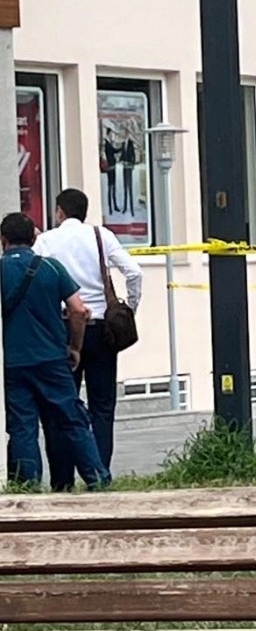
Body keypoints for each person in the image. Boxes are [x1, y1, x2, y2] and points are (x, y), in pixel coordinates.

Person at [34, 188, 142, 489]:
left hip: (62, 328)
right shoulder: (101, 236)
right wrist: (129, 307)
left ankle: (63, 480)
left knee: (62, 406)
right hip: (101, 330)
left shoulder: (47, 241)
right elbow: (134, 272)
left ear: (59, 211)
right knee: (102, 406)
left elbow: (34, 275)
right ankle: (99, 474)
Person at [0, 213, 110, 490]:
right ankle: (97, 479)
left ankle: (27, 486)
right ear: (34, 238)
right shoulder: (51, 267)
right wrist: (75, 347)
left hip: (14, 362)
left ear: (3, 241)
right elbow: (78, 310)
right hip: (52, 359)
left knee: (22, 426)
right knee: (72, 420)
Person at [103, 126, 120, 216]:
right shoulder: (107, 143)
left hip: (112, 167)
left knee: (112, 187)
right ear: (109, 134)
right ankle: (111, 206)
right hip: (110, 167)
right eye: (111, 134)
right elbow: (113, 151)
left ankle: (113, 205)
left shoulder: (108, 143)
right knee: (111, 187)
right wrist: (121, 147)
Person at [120, 133, 137, 216]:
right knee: (125, 188)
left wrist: (132, 164)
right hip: (124, 167)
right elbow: (122, 154)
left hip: (129, 167)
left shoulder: (131, 144)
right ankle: (125, 207)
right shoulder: (123, 144)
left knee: (130, 188)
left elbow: (133, 155)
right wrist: (121, 160)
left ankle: (131, 208)